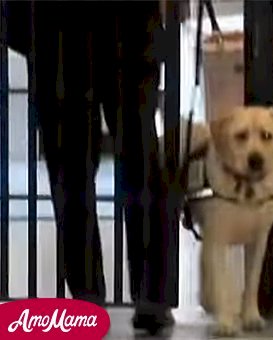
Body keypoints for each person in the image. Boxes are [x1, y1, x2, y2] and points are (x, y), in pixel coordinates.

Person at [5, 1, 178, 332]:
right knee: (138, 153)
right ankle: (150, 295)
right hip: (124, 22)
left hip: (56, 26)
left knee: (72, 166)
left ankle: (89, 296)